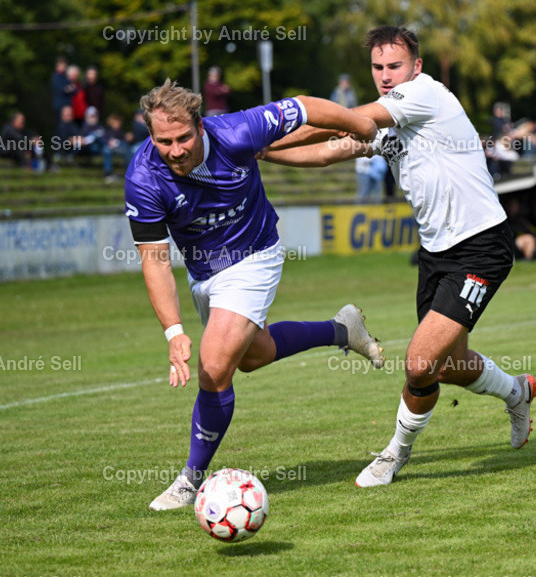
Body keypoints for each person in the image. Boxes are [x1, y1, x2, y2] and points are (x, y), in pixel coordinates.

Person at [261, 26, 536, 487]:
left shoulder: (423, 95)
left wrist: (256, 135)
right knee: (446, 365)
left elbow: (338, 122)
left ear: (416, 67)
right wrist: (264, 153)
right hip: (435, 253)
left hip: (480, 245)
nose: (386, 76)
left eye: (395, 66)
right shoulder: (386, 122)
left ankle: (394, 455)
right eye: (378, 68)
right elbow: (333, 149)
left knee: (417, 363)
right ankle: (517, 392)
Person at [124, 79, 385, 510]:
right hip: (204, 273)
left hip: (253, 257)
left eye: (183, 137)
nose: (174, 150)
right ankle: (342, 329)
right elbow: (153, 259)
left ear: (201, 127)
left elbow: (303, 105)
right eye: (163, 140)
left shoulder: (237, 131)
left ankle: (191, 479)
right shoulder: (143, 178)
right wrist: (173, 331)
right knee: (253, 356)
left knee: (214, 367)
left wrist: (360, 124)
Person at [51, 56, 70, 120]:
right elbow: (62, 90)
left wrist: (68, 89)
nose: (64, 67)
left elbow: (73, 89)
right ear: (57, 65)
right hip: (60, 106)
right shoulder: (56, 77)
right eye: (62, 65)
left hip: (67, 105)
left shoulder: (65, 76)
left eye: (64, 65)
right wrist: (67, 89)